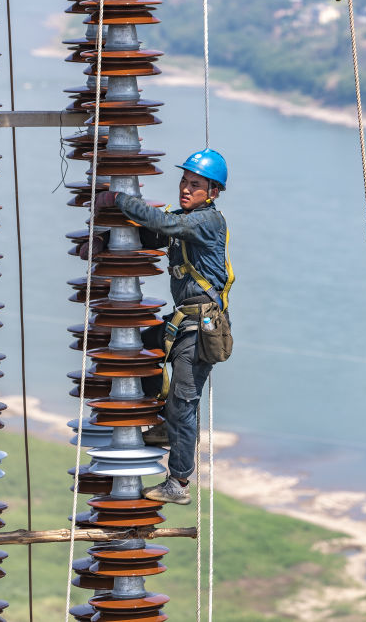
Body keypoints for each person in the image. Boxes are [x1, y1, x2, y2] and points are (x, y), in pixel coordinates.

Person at [88, 149, 233, 505]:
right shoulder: (184, 219)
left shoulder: (207, 222)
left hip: (199, 328)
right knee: (138, 347)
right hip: (183, 322)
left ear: (212, 191)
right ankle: (161, 424)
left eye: (195, 184)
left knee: (184, 403)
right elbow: (156, 235)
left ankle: (179, 483)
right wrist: (106, 242)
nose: (185, 188)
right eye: (184, 181)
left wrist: (120, 199)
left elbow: (165, 226)